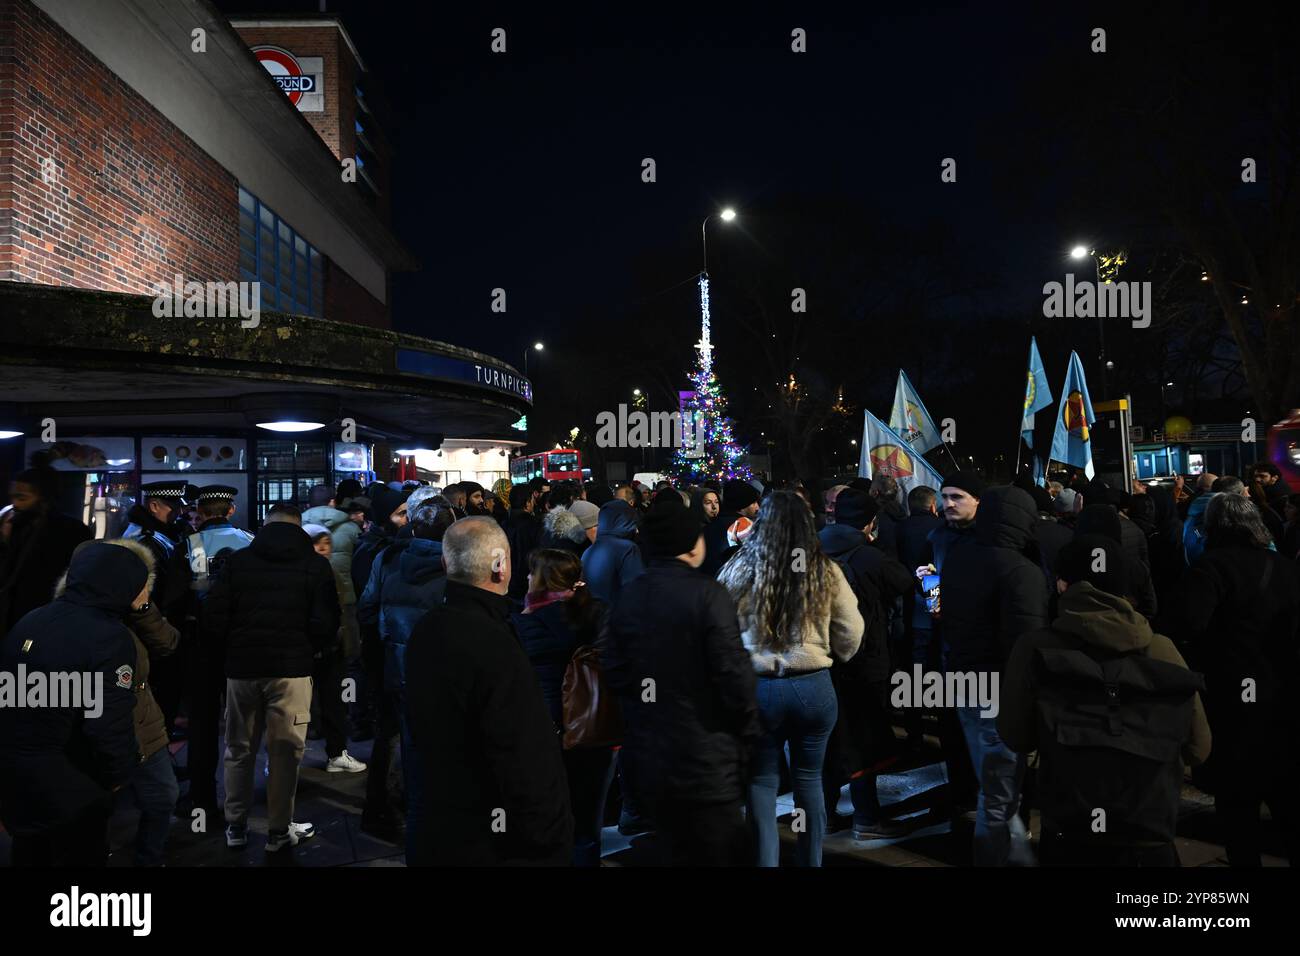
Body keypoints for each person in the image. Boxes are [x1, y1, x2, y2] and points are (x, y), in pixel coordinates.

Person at [999, 535, 1211, 865]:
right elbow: (1199, 748)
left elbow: (1015, 735)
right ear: (1126, 591)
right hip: (1148, 828)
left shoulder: (1034, 649)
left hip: (1069, 827)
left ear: (1061, 584)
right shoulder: (1162, 649)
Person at [603, 493, 760, 866]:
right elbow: (732, 672)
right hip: (705, 754)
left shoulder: (630, 595)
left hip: (651, 752)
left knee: (673, 847)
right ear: (692, 545)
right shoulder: (707, 594)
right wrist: (749, 729)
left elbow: (614, 667)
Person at [405, 517, 573, 865]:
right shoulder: (495, 642)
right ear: (500, 565)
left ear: (444, 563)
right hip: (493, 838)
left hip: (439, 824)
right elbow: (521, 750)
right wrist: (548, 835)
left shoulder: (427, 629)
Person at [712, 491, 859, 866]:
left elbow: (717, 629)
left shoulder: (736, 569)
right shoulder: (825, 571)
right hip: (812, 684)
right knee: (809, 780)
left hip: (757, 687)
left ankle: (765, 860)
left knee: (760, 782)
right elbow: (850, 632)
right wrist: (835, 653)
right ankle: (810, 859)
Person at [203, 503, 339, 852]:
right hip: (292, 671)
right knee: (285, 752)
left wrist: (231, 651)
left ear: (266, 525)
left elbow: (215, 615)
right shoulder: (315, 565)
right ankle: (279, 831)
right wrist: (312, 650)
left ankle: (236, 825)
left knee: (238, 749)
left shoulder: (238, 561)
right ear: (299, 526)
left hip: (242, 669)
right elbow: (326, 622)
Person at [0, 542, 142, 866]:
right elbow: (107, 719)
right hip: (72, 780)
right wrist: (119, 772)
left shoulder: (33, 618)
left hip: (17, 773)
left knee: (29, 852)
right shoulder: (108, 636)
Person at [1181, 493, 1299, 866]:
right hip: (1285, 703)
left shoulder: (1209, 570)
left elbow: (1186, 629)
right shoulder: (1286, 568)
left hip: (1232, 704)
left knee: (1238, 807)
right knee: (1288, 802)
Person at [940, 484, 1049, 866]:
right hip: (999, 691)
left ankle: (1012, 853)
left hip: (963, 682)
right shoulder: (1022, 571)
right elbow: (1026, 643)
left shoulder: (958, 556)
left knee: (993, 786)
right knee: (1000, 794)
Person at [815, 489, 914, 840]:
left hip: (819, 661)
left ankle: (823, 816)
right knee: (864, 742)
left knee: (824, 744)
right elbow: (904, 583)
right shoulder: (872, 558)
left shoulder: (812, 551)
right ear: (871, 522)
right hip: (864, 660)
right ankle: (867, 819)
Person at [357, 497, 455, 848]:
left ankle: (386, 813)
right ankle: (428, 816)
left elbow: (367, 608)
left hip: (393, 664)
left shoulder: (388, 557)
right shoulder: (454, 565)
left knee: (391, 738)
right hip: (437, 669)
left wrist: (382, 646)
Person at [511, 549, 615, 866]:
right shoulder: (598, 613)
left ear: (541, 580)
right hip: (594, 729)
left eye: (531, 573)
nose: (527, 578)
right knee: (587, 824)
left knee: (545, 822)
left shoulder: (523, 624)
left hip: (544, 732)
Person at [180, 484, 254, 821]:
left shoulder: (191, 545)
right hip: (240, 645)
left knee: (203, 724)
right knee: (243, 725)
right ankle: (242, 799)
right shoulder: (250, 542)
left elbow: (187, 597)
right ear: (231, 509)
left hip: (201, 646)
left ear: (201, 512)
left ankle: (201, 799)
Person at [122, 480, 195, 739]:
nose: (178, 512)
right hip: (154, 625)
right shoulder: (147, 540)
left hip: (159, 623)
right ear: (154, 506)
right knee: (161, 691)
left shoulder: (155, 533)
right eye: (172, 506)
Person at [0, 456, 93, 639]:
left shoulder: (71, 531)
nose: (15, 504)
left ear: (44, 499)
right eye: (13, 497)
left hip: (49, 625)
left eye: (22, 498)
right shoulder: (13, 528)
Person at [303, 526, 366, 773]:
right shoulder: (312, 574)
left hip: (332, 650)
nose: (322, 549)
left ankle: (337, 752)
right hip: (311, 650)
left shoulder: (333, 573)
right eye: (316, 544)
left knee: (334, 702)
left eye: (326, 544)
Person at [581, 499, 644, 606]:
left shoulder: (588, 551)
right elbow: (635, 590)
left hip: (592, 615)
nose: (636, 530)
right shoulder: (627, 548)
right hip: (617, 615)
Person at [701, 478, 761, 576]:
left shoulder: (709, 526)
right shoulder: (744, 526)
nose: (757, 507)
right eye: (753, 503)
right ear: (742, 504)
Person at [506, 483, 544, 602]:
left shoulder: (503, 523)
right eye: (533, 499)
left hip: (507, 581)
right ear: (527, 502)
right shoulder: (535, 524)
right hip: (528, 580)